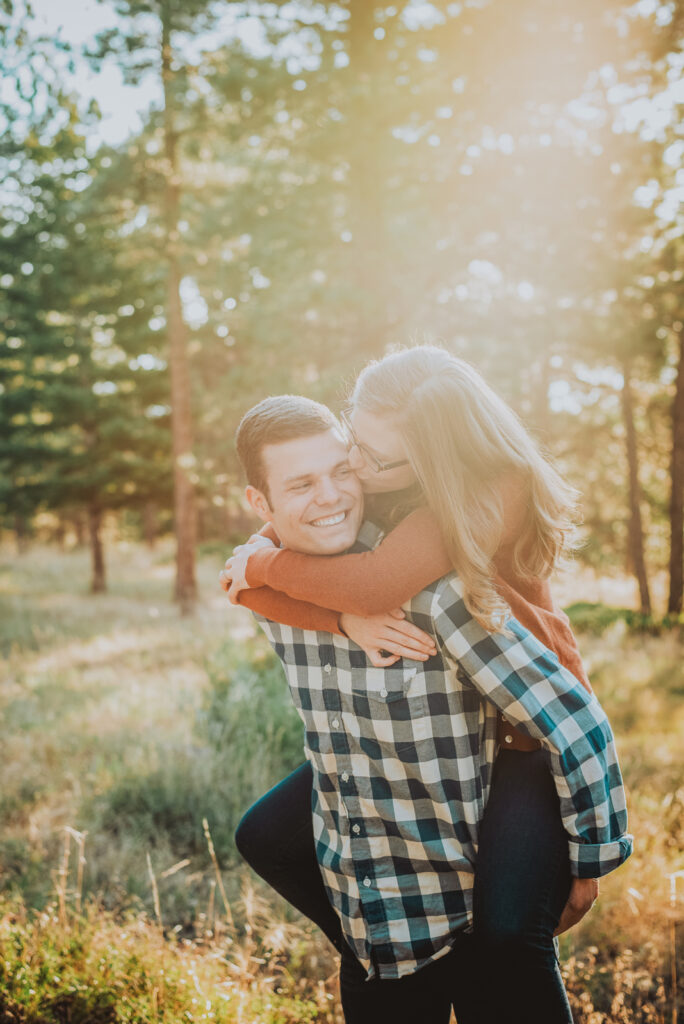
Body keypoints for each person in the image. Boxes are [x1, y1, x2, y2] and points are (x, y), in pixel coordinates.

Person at [222, 372, 633, 1023]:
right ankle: (386, 954)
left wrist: (591, 861)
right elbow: (251, 573)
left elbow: (379, 581)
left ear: (425, 457)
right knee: (266, 835)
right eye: (351, 444)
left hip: (527, 735)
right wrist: (310, 599)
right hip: (399, 783)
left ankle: (472, 961)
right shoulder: (366, 504)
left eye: (362, 460)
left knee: (506, 940)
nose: (348, 473)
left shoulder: (465, 511)